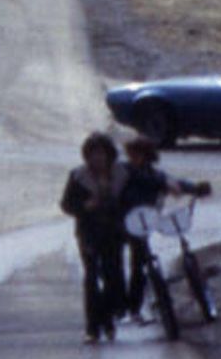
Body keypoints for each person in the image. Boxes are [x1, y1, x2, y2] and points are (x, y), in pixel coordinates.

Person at [120, 138, 211, 322]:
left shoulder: (155, 175)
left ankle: (133, 307)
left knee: (140, 264)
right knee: (121, 266)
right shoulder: (125, 171)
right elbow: (153, 180)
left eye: (138, 155)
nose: (133, 158)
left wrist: (195, 189)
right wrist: (163, 183)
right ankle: (126, 307)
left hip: (143, 224)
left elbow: (175, 183)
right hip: (122, 222)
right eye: (132, 154)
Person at [60, 132, 127, 344]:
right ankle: (93, 328)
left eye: (101, 154)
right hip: (89, 233)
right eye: (93, 154)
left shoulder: (122, 174)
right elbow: (66, 204)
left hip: (115, 232)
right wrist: (85, 207)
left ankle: (106, 319)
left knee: (113, 277)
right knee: (91, 278)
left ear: (109, 155)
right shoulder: (78, 176)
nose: (98, 159)